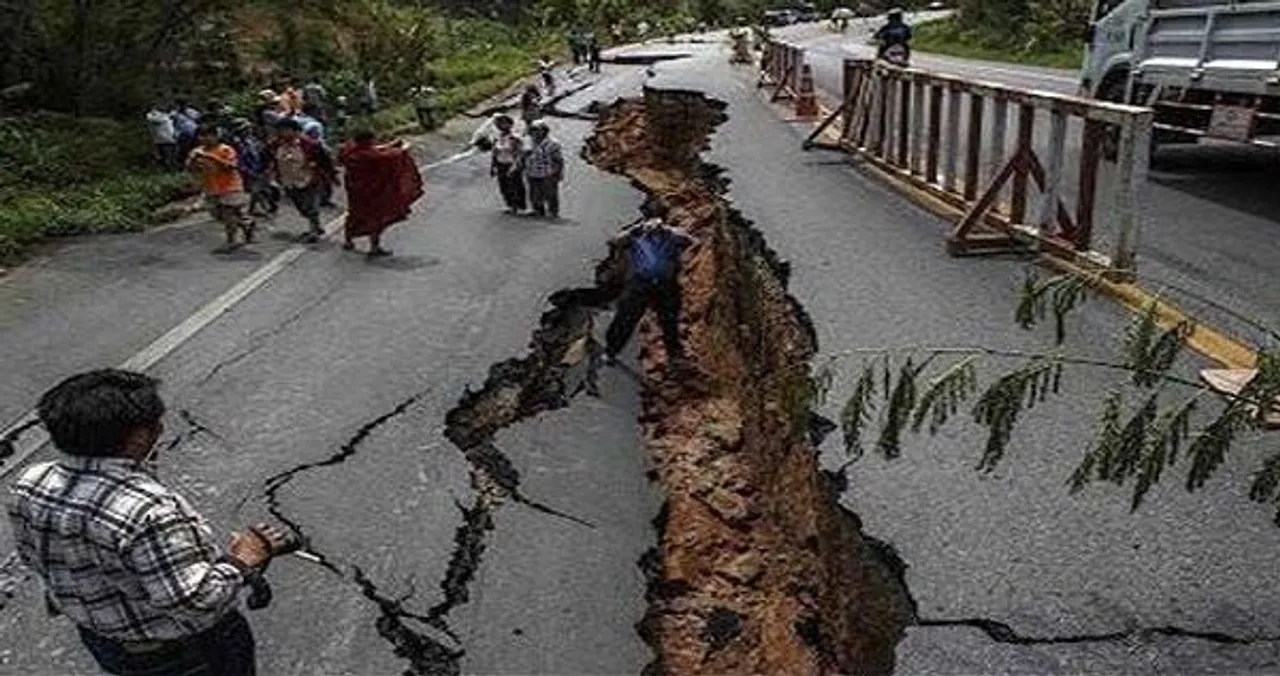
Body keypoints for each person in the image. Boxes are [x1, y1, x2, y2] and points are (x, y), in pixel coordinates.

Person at [7, 369, 294, 676]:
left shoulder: (30, 481)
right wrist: (244, 559)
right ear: (139, 435)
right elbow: (195, 601)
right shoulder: (148, 511)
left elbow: (36, 558)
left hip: (104, 640)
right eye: (155, 424)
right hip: (180, 651)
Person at [602, 200, 694, 371]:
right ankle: (611, 351)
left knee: (669, 321)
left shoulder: (671, 235)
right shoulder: (636, 234)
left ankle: (674, 356)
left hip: (666, 285)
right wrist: (634, 230)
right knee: (625, 318)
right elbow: (613, 242)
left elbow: (689, 240)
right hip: (640, 283)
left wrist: (666, 230)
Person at [338, 130, 423, 258]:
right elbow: (392, 155)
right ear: (369, 141)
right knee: (376, 218)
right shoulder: (371, 156)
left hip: (354, 190)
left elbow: (376, 149)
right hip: (373, 191)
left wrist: (390, 144)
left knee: (354, 214)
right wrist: (404, 148)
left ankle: (348, 241)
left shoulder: (349, 151)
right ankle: (374, 246)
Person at [187, 125, 255, 253]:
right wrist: (192, 160)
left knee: (228, 214)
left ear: (216, 136)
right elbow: (191, 168)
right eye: (202, 136)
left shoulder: (226, 150)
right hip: (211, 187)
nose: (205, 139)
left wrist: (211, 157)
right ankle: (246, 223)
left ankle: (231, 241)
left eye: (209, 135)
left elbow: (231, 166)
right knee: (217, 214)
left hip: (230, 187)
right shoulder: (197, 151)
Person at [268, 118, 336, 243]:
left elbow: (325, 160)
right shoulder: (276, 145)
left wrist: (329, 174)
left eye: (286, 130)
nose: (283, 133)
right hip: (289, 180)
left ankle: (313, 230)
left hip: (309, 178)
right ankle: (316, 225)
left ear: (295, 131)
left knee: (310, 204)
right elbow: (271, 159)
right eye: (280, 130)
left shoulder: (310, 144)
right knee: (301, 206)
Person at [230, 120, 277, 218]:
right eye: (246, 129)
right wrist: (246, 170)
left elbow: (261, 152)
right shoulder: (237, 143)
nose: (249, 131)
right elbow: (239, 159)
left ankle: (254, 208)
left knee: (260, 189)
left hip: (258, 167)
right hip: (248, 169)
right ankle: (260, 209)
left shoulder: (252, 140)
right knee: (256, 190)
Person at [524, 121, 564, 219]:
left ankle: (553, 211)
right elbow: (523, 155)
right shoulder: (529, 142)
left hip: (548, 172)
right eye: (533, 130)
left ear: (544, 131)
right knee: (534, 192)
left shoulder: (553, 143)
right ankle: (538, 209)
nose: (535, 133)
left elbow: (558, 160)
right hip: (532, 171)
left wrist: (559, 172)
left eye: (538, 130)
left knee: (550, 193)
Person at [489, 115, 526, 214]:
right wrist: (492, 166)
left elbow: (520, 153)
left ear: (510, 125)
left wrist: (516, 165)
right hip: (501, 164)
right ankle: (509, 204)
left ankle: (520, 205)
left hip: (512, 164)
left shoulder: (515, 138)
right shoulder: (497, 138)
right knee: (503, 185)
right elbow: (494, 153)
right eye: (500, 124)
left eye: (505, 123)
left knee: (515, 185)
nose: (502, 126)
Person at [145, 103, 179, 171]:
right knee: (168, 157)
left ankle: (168, 170)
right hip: (166, 140)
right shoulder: (159, 117)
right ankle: (168, 170)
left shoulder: (163, 116)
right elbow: (159, 119)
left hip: (165, 139)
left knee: (168, 156)